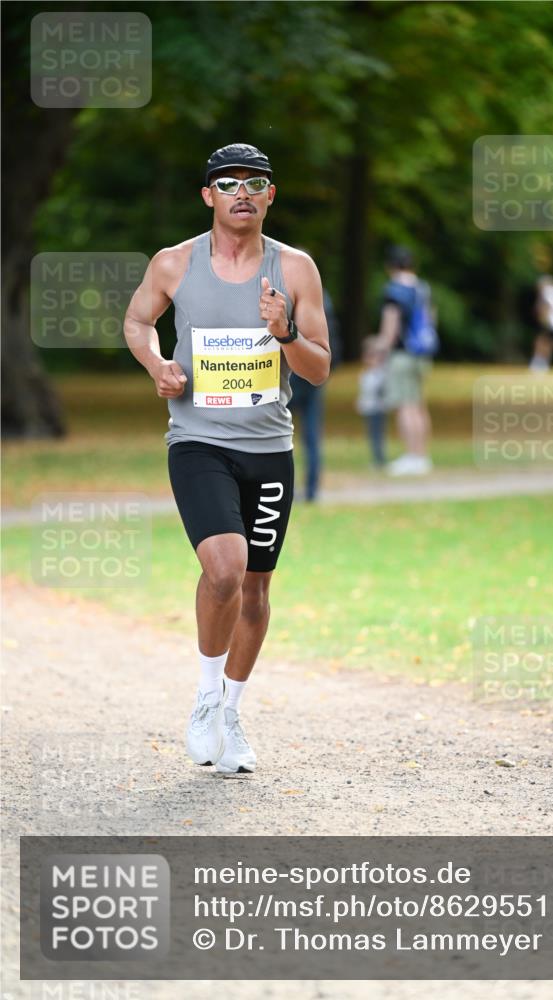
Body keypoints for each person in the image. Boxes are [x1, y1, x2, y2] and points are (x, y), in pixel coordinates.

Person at [123, 142, 330, 775]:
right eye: (228, 181)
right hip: (198, 442)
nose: (243, 190)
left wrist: (286, 334)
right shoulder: (174, 263)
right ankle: (206, 696)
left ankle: (233, 712)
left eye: (256, 182)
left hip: (269, 448)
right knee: (224, 571)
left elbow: (318, 369)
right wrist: (158, 364)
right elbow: (137, 321)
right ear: (208, 194)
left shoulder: (294, 269)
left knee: (257, 590)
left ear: (271, 196)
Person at [375, 245, 435, 476]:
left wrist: (380, 349)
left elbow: (390, 328)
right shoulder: (422, 287)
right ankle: (422, 455)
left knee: (405, 406)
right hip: (422, 353)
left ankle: (413, 457)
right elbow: (430, 319)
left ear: (390, 265)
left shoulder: (394, 290)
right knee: (418, 404)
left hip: (402, 355)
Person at [288, 288, 341, 501]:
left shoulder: (286, 294)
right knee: (311, 435)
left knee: (278, 433)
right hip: (314, 377)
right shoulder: (320, 297)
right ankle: (311, 490)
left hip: (292, 374)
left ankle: (286, 488)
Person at [356, 336, 387, 468]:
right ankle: (376, 458)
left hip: (378, 410)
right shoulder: (364, 375)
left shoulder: (381, 375)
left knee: (378, 435)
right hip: (369, 409)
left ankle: (380, 460)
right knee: (372, 435)